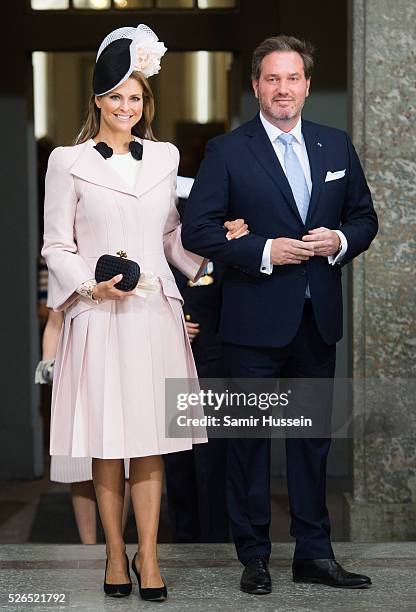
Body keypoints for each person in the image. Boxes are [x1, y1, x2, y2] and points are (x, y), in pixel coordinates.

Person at [42, 23, 247, 602]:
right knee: (108, 443)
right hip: (100, 315)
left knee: (152, 441)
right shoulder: (68, 160)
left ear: (144, 103)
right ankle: (114, 552)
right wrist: (89, 287)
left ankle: (149, 557)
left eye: (136, 97)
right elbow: (56, 244)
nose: (126, 107)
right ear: (98, 101)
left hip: (156, 313)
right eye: (116, 97)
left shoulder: (166, 157)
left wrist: (216, 243)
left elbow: (171, 238)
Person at [182, 35, 378, 594]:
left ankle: (315, 554)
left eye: (292, 78)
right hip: (252, 324)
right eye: (272, 78)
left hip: (317, 323)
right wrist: (265, 251)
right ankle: (255, 558)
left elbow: (364, 218)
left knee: (311, 443)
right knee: (247, 446)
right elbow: (199, 229)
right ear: (256, 86)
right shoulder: (227, 150)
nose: (283, 88)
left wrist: (338, 238)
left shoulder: (336, 146)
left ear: (307, 85)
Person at [164, 183, 229, 543]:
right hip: (172, 367)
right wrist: (171, 325)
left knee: (216, 458)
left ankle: (219, 540)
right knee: (178, 460)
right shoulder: (155, 253)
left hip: (213, 366)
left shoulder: (220, 247)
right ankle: (184, 538)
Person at [35, 309, 130, 544]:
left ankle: (114, 541)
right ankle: (87, 544)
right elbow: (54, 320)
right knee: (78, 465)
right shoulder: (66, 271)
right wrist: (49, 366)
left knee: (123, 461)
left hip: (117, 365)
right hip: (75, 366)